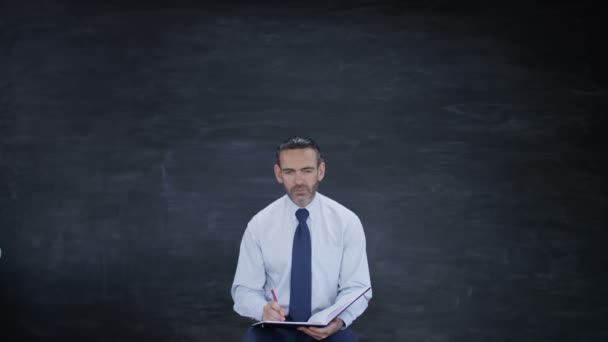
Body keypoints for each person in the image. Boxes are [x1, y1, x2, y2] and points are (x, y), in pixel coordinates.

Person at [231, 136, 372, 342]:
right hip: (274, 328)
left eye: (307, 171)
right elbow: (244, 289)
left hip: (329, 327)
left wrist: (340, 320)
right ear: (278, 174)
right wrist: (262, 309)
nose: (299, 181)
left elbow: (358, 287)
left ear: (320, 171)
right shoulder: (259, 225)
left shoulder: (347, 222)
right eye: (289, 172)